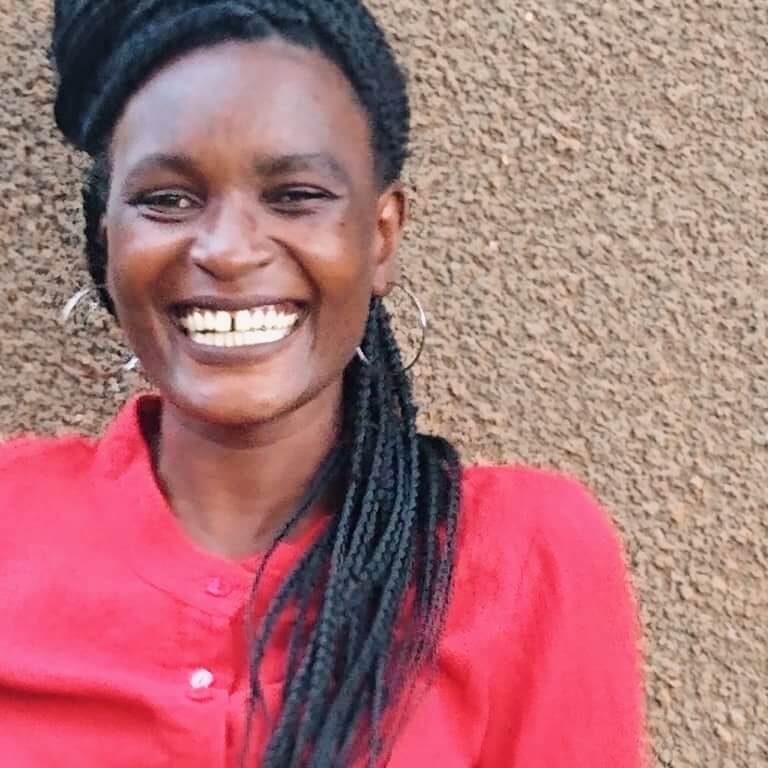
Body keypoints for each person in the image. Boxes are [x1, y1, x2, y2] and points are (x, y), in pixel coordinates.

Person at [0, 1, 646, 766]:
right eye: (166, 199)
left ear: (380, 238)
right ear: (107, 242)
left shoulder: (521, 557)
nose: (228, 250)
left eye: (296, 195)